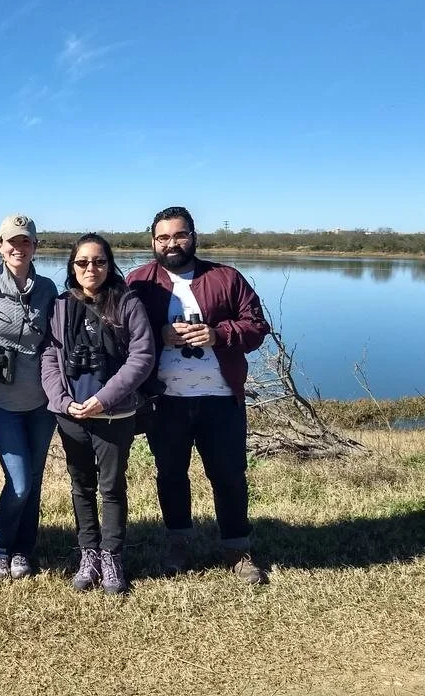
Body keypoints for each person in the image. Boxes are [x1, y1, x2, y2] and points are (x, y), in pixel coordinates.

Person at [126, 205, 271, 584]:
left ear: (193, 236)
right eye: (163, 237)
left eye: (179, 235)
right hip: (164, 399)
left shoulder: (226, 277)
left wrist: (217, 334)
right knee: (170, 474)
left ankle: (238, 549)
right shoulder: (139, 282)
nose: (171, 244)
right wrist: (159, 334)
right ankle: (178, 542)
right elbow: (117, 331)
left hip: (221, 398)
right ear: (152, 241)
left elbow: (256, 326)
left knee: (229, 476)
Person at [40, 234, 156, 594]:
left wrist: (104, 400)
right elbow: (49, 354)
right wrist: (60, 399)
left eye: (99, 261)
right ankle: (88, 553)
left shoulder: (127, 302)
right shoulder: (60, 305)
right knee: (81, 486)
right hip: (71, 414)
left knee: (111, 487)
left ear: (110, 264)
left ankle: (112, 556)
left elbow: (142, 357)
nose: (91, 268)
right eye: (82, 262)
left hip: (114, 415)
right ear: (72, 267)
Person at [0, 214, 59, 581]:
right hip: (2, 401)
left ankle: (24, 548)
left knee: (34, 480)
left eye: (25, 241)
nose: (18, 248)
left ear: (35, 247)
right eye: (11, 241)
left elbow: (60, 342)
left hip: (42, 403)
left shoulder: (47, 289)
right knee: (20, 481)